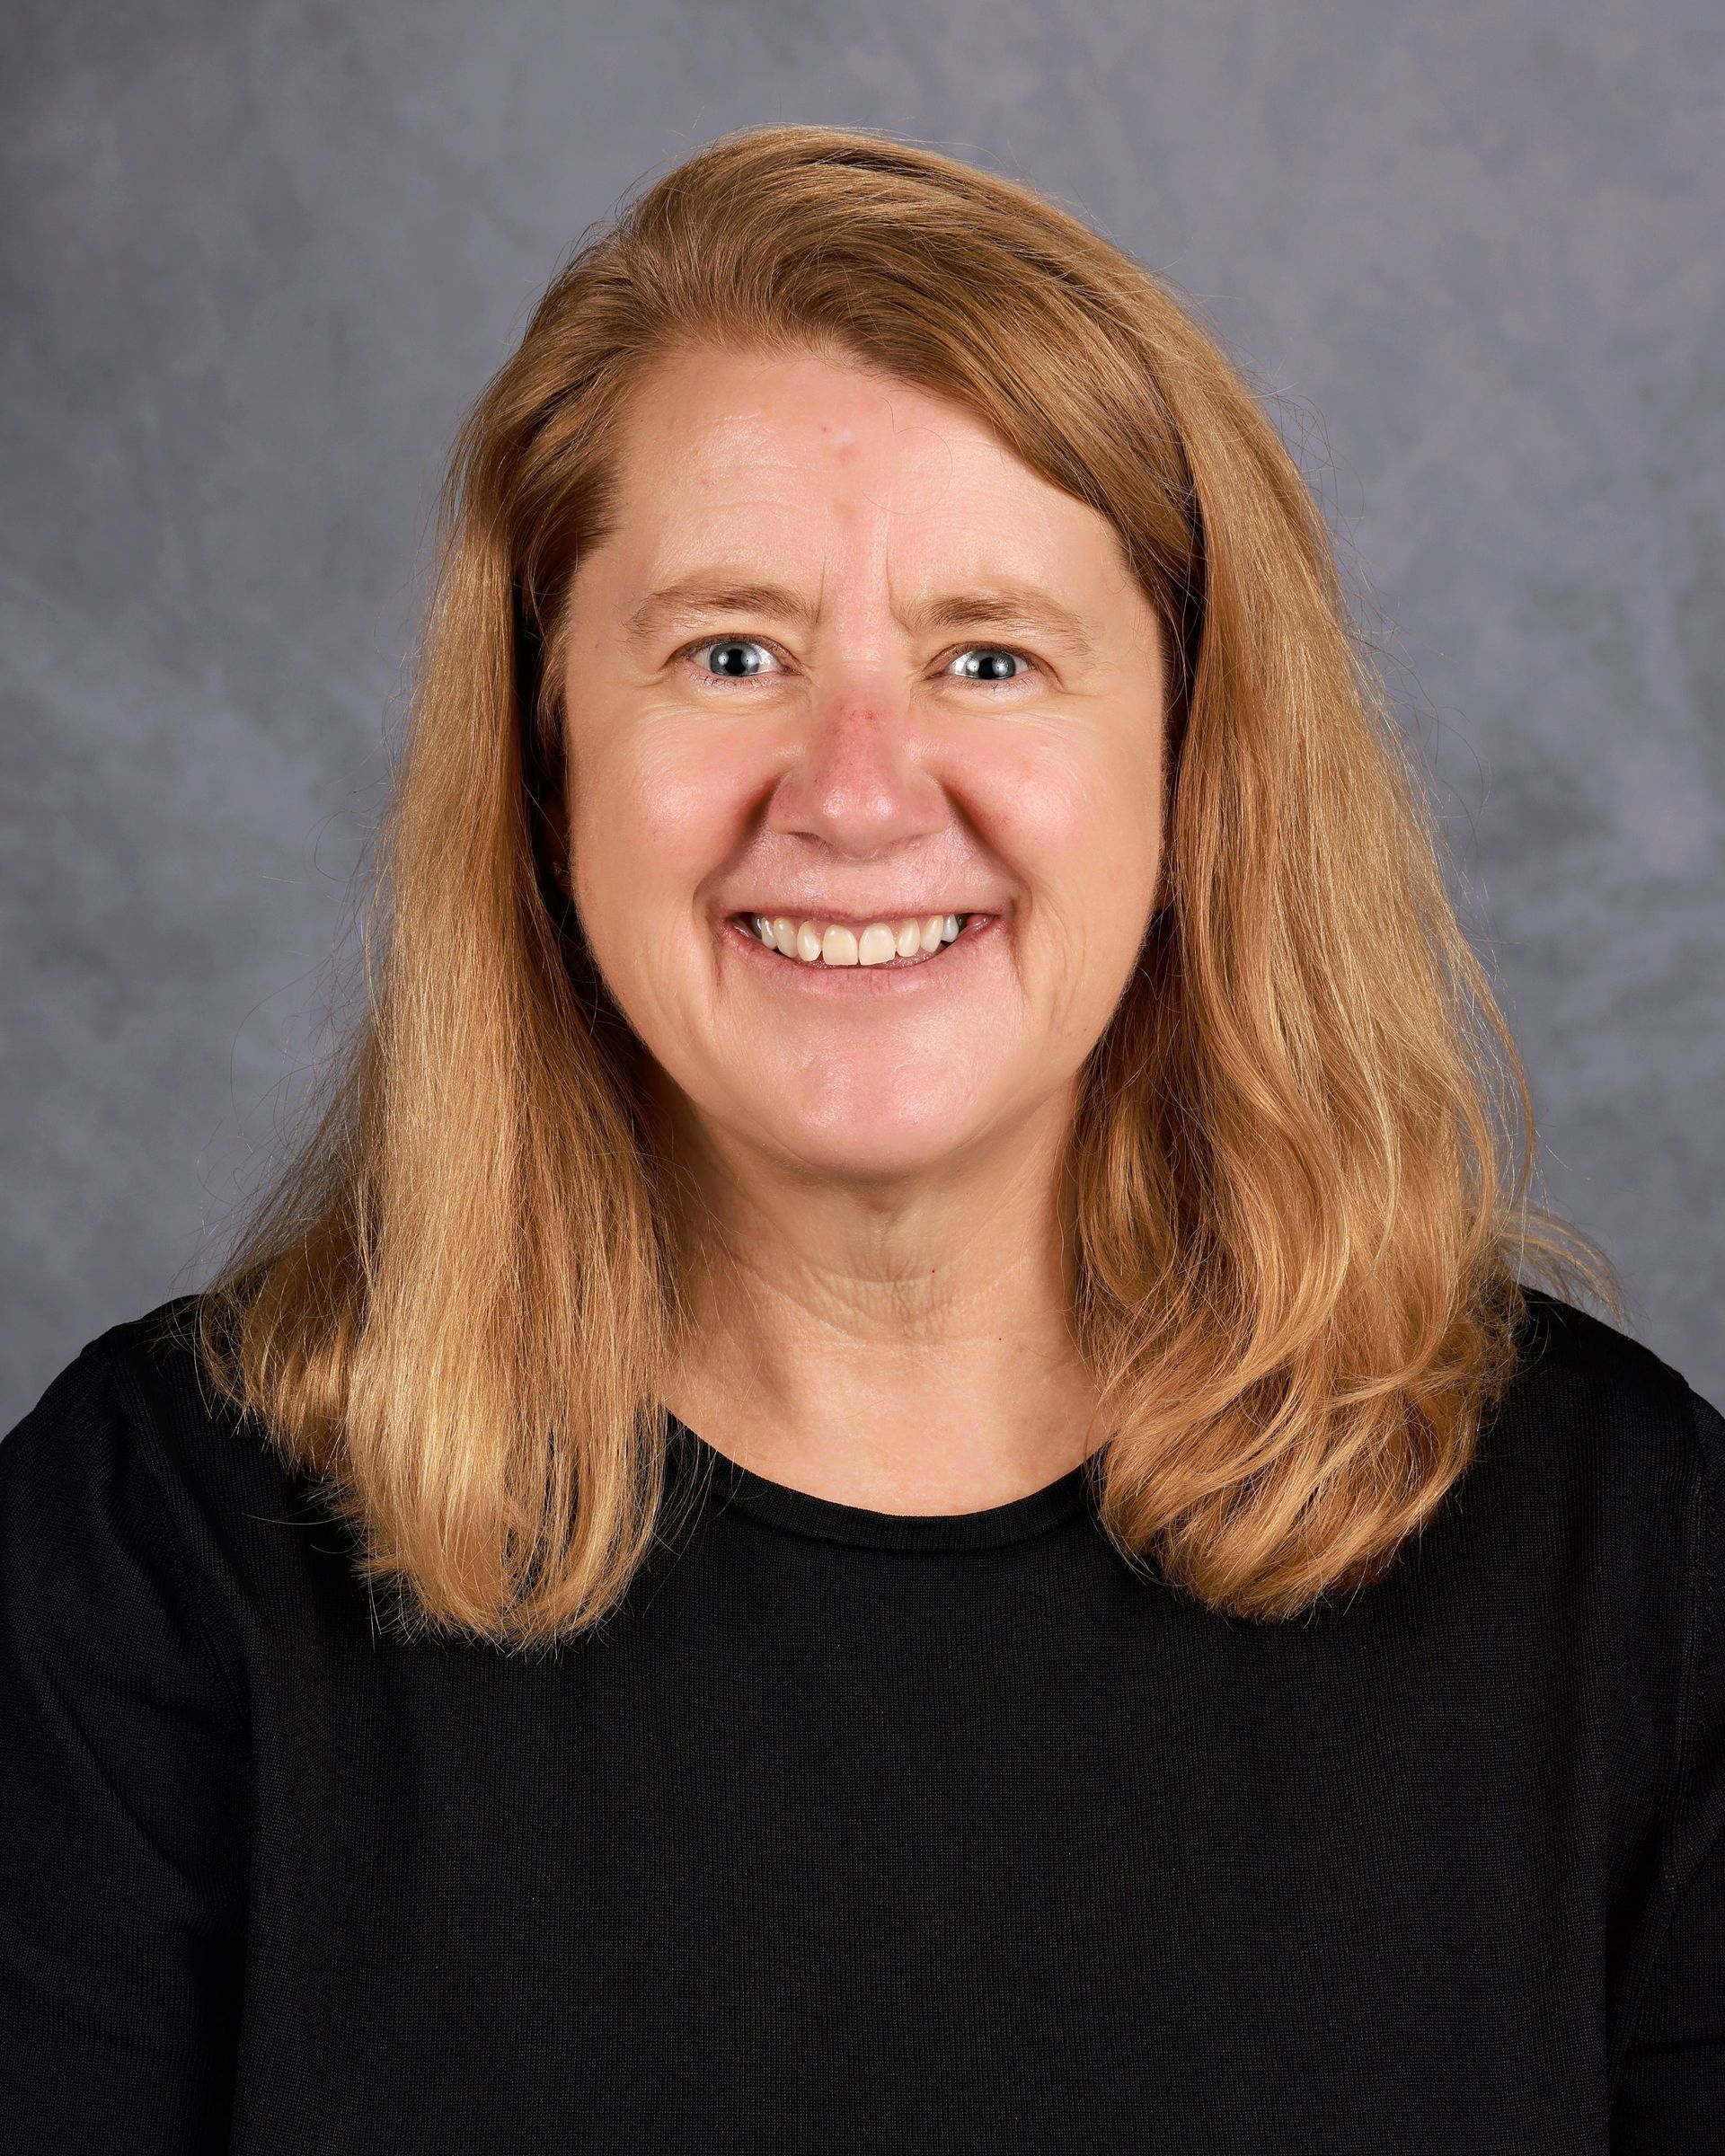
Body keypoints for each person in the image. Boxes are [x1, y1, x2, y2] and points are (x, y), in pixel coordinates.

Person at [2, 121, 1720, 2153]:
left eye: (989, 658)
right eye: (733, 653)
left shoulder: (1623, 1563)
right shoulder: (157, 1563)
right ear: (547, 762)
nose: (858, 791)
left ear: (1194, 771)